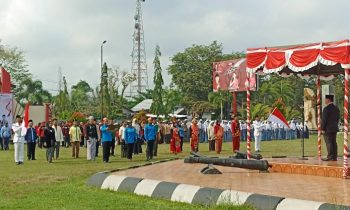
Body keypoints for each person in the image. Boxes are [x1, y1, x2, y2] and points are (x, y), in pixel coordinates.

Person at [321, 94, 340, 161]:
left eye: (325, 99)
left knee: (329, 142)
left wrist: (322, 128)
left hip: (327, 129)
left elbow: (324, 120)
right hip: (334, 128)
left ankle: (330, 156)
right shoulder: (336, 108)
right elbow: (337, 118)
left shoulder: (326, 109)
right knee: (334, 142)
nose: (325, 101)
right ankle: (334, 157)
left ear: (328, 100)